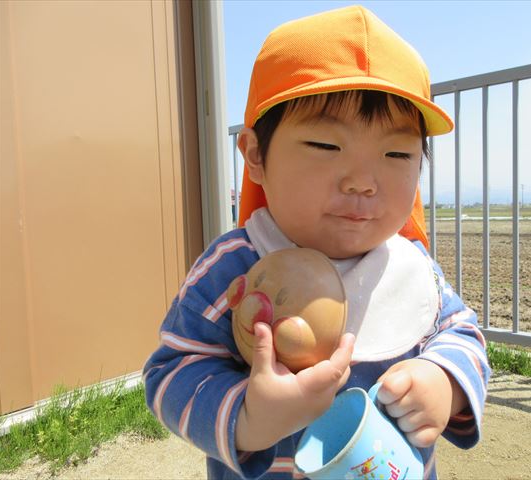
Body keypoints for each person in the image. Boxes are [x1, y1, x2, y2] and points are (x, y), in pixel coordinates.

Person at [143, 5, 490, 479]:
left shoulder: (411, 267)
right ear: (256, 155)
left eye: (396, 153)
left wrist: (444, 380)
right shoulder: (234, 266)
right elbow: (171, 372)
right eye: (327, 146)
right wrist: (249, 417)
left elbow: (462, 333)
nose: (363, 181)